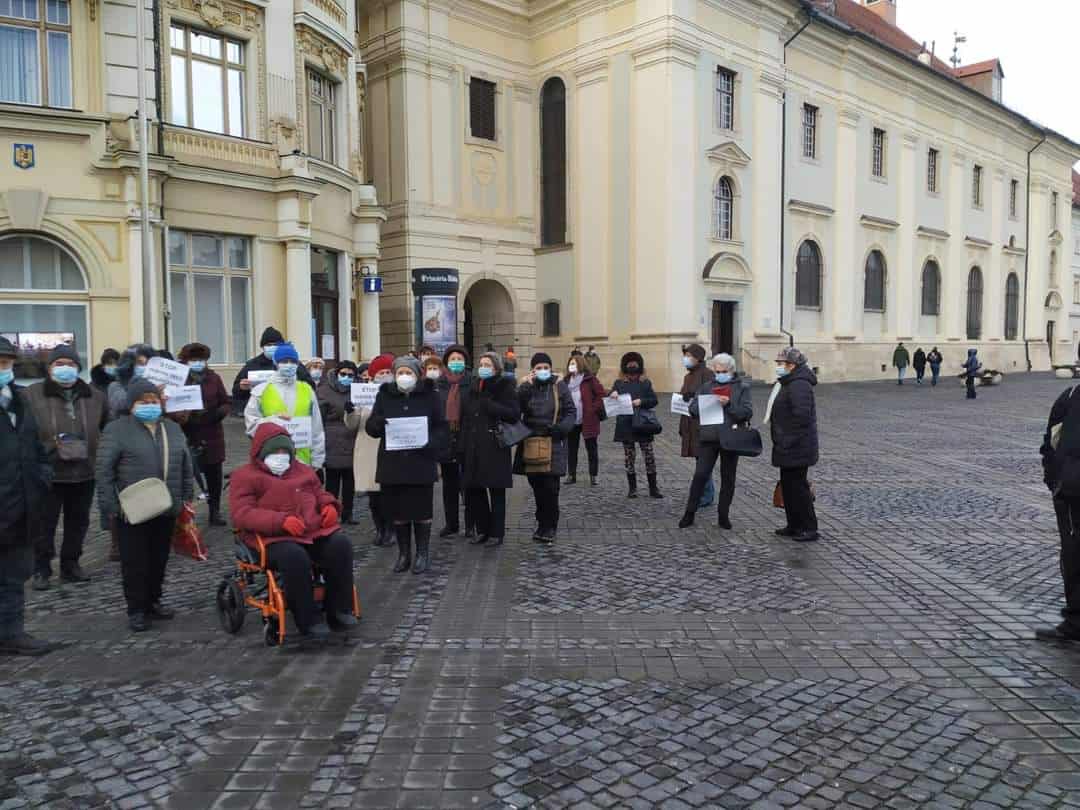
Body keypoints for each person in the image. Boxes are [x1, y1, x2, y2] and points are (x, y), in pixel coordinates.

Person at [230, 424, 356, 639]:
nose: (280, 456)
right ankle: (308, 620)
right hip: (271, 537)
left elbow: (320, 493)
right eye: (274, 452)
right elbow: (242, 513)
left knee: (341, 545)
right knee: (294, 557)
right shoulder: (245, 476)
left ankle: (339, 609)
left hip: (310, 531)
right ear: (261, 453)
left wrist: (330, 506)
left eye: (284, 452)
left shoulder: (303, 470)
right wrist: (280, 521)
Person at [95, 379, 194, 632]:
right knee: (134, 561)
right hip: (133, 508)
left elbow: (185, 463)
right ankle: (137, 609)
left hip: (166, 504)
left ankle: (153, 600)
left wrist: (186, 496)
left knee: (159, 558)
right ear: (131, 405)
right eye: (143, 401)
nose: (150, 405)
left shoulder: (171, 428)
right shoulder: (116, 430)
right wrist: (110, 506)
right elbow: (104, 470)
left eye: (154, 400)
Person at [22, 344, 108, 589]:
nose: (65, 369)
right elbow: (24, 431)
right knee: (44, 523)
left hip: (85, 471)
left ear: (78, 368)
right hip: (48, 472)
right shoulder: (31, 395)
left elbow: (106, 425)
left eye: (70, 364)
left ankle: (71, 565)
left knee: (78, 522)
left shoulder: (95, 396)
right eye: (59, 364)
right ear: (49, 368)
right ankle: (41, 568)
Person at [0, 336, 58, 656]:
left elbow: (36, 447)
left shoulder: (20, 400)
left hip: (23, 506)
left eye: (6, 363)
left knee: (15, 575)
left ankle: (11, 633)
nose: (2, 369)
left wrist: (42, 477)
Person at [365, 356, 447, 574]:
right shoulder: (384, 395)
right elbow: (371, 428)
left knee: (421, 510)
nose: (404, 377)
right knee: (398, 511)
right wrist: (377, 423)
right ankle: (404, 555)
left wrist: (432, 442)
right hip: (393, 464)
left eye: (408, 373)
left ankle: (422, 554)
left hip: (421, 461)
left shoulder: (430, 395)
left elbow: (441, 426)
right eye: (400, 372)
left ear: (417, 374)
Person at [678, 353, 753, 530]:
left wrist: (728, 405)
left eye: (723, 371)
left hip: (731, 438)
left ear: (732, 371)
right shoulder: (707, 386)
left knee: (728, 478)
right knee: (700, 475)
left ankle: (723, 516)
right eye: (717, 371)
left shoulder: (742, 387)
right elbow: (693, 409)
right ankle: (689, 513)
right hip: (709, 438)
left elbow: (746, 412)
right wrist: (707, 403)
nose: (719, 374)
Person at [514, 353, 575, 543]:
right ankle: (541, 523)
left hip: (553, 441)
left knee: (551, 488)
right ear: (532, 370)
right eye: (538, 368)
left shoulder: (559, 385)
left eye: (545, 367)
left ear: (550, 368)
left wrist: (561, 429)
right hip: (531, 443)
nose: (542, 371)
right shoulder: (527, 387)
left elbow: (570, 411)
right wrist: (524, 387)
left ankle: (550, 526)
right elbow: (516, 410)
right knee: (537, 487)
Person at [461, 351, 519, 545]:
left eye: (487, 365)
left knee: (496, 491)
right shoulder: (474, 386)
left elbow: (513, 414)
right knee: (475, 489)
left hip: (494, 445)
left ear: (496, 368)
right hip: (474, 444)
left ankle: (497, 533)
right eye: (481, 364)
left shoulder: (504, 386)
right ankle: (483, 529)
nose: (483, 367)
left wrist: (490, 404)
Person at [1038, 385, 1080, 642]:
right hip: (1072, 490)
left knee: (1075, 553)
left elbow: (1050, 442)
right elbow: (1051, 441)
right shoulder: (1071, 396)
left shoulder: (1071, 394)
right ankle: (1075, 619)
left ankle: (1076, 621)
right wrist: (1054, 478)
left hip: (1072, 488)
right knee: (1074, 553)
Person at [765, 347, 819, 543]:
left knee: (799, 489)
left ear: (792, 365)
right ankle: (794, 524)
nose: (778, 367)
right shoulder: (788, 383)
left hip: (797, 446)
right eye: (778, 363)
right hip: (787, 445)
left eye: (781, 364)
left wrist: (785, 440)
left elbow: (801, 418)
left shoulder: (799, 385)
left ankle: (809, 527)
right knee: (788, 487)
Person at [174, 342, 231, 526]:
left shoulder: (213, 378)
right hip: (187, 432)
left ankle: (214, 510)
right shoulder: (178, 378)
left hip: (212, 432)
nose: (198, 363)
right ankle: (184, 513)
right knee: (186, 474)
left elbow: (225, 400)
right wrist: (183, 416)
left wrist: (218, 413)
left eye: (201, 360)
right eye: (194, 360)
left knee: (214, 475)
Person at [244, 342, 326, 469]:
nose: (289, 365)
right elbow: (251, 426)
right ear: (276, 363)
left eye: (292, 361)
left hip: (303, 460)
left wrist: (317, 459)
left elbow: (316, 427)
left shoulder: (307, 390)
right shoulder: (261, 391)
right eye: (284, 361)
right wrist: (271, 421)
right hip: (272, 460)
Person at [345, 354, 395, 546]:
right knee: (374, 496)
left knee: (389, 495)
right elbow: (352, 424)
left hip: (390, 450)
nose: (384, 375)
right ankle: (380, 528)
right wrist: (350, 411)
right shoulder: (364, 394)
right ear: (372, 375)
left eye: (387, 372)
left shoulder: (396, 393)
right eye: (380, 372)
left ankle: (391, 529)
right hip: (368, 450)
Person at [433, 347, 474, 537]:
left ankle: (471, 524)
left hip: (466, 437)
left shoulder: (472, 381)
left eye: (459, 358)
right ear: (446, 362)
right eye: (452, 358)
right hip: (445, 439)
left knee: (469, 484)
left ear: (464, 361)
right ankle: (452, 524)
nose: (455, 361)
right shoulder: (439, 383)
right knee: (449, 485)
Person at [610, 352, 662, 499]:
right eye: (629, 364)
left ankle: (653, 488)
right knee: (629, 457)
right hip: (626, 425)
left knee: (649, 456)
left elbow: (653, 400)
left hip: (643, 424)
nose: (632, 367)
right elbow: (611, 401)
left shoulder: (645, 382)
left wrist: (641, 402)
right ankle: (632, 488)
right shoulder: (619, 383)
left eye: (635, 364)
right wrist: (612, 395)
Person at [232, 326, 314, 415]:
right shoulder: (252, 365)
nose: (272, 347)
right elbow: (236, 392)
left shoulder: (293, 363)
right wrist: (242, 388)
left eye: (275, 344)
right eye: (269, 345)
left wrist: (294, 380)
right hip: (262, 413)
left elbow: (310, 386)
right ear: (263, 347)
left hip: (292, 413)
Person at [320, 360, 360, 523]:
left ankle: (348, 513)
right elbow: (319, 418)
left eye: (350, 375)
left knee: (350, 481)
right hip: (332, 439)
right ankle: (331, 513)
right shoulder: (324, 391)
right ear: (336, 374)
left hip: (352, 438)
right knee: (332, 481)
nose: (346, 377)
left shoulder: (359, 390)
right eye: (343, 374)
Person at [679, 344, 714, 508]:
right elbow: (683, 397)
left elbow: (711, 397)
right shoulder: (688, 376)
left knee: (703, 461)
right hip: (690, 423)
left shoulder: (707, 374)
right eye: (685, 355)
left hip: (702, 424)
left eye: (688, 355)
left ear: (698, 358)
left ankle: (706, 495)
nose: (686, 359)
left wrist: (693, 397)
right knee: (699, 460)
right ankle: (704, 492)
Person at [564, 350, 605, 486]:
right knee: (571, 449)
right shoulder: (565, 381)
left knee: (591, 448)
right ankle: (571, 475)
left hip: (588, 419)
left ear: (580, 364)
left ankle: (594, 475)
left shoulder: (589, 379)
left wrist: (592, 409)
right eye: (570, 363)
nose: (572, 366)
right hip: (572, 419)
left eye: (574, 363)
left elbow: (600, 394)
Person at [106, 343, 155, 421]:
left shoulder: (156, 383)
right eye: (140, 363)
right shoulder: (115, 386)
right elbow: (121, 404)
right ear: (129, 364)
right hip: (125, 429)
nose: (145, 367)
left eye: (148, 364)